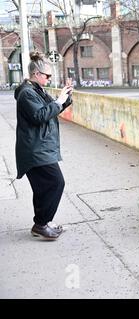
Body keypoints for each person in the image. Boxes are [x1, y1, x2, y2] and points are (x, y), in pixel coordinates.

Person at [14, 52, 73, 240]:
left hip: (40, 147)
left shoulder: (37, 90)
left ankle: (42, 223)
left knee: (42, 188)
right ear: (36, 74)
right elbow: (39, 116)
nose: (49, 78)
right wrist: (58, 102)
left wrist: (66, 99)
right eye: (47, 75)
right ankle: (41, 224)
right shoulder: (26, 93)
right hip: (34, 149)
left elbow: (51, 109)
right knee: (56, 182)